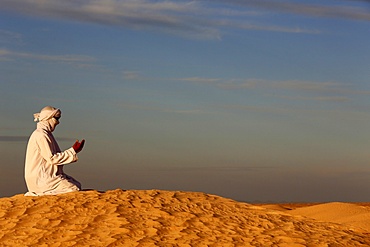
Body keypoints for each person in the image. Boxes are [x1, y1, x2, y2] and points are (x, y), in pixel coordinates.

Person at [24, 106, 85, 196]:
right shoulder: (41, 135)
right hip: (41, 179)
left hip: (47, 177)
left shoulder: (45, 134)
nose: (58, 122)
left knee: (77, 185)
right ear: (48, 118)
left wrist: (74, 151)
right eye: (56, 118)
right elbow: (52, 158)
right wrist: (73, 151)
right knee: (73, 188)